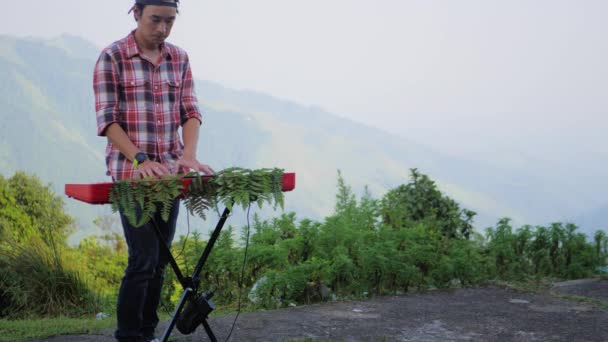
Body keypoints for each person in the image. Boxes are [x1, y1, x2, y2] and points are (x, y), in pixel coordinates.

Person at [93, 1, 213, 341]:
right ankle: (129, 335)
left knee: (160, 259)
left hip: (170, 175)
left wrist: (188, 155)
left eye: (169, 21)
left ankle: (148, 332)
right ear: (137, 14)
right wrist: (139, 159)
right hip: (131, 175)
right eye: (155, 20)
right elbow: (107, 120)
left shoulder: (180, 58)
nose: (162, 28)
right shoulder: (112, 57)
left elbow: (190, 110)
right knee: (142, 259)